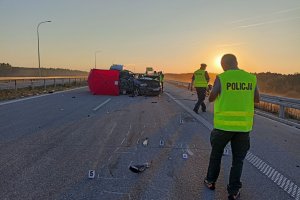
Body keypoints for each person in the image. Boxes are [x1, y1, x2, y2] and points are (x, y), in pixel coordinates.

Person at [204, 54, 260, 200]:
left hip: (223, 127)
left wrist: (212, 92)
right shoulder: (251, 78)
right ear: (236, 62)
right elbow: (257, 99)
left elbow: (211, 97)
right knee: (238, 160)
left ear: (223, 65)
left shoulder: (222, 77)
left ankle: (210, 182)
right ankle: (233, 192)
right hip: (243, 128)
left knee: (216, 155)